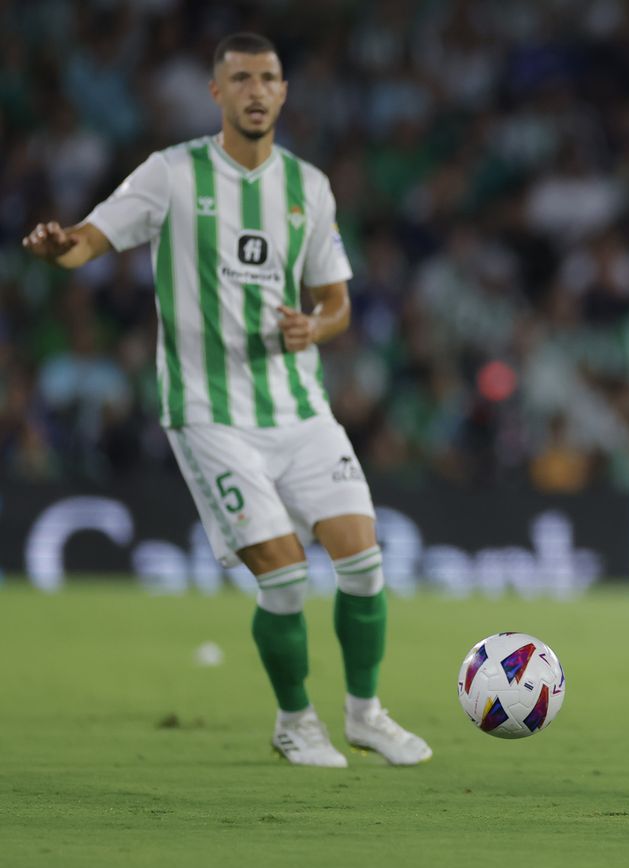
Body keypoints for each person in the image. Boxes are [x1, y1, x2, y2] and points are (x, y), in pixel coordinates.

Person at [21, 33, 429, 769]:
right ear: (216, 92)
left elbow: (336, 302)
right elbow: (90, 239)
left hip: (300, 408)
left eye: (268, 77)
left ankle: (366, 715)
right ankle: (295, 721)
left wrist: (317, 325)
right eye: (239, 77)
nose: (255, 90)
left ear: (283, 92)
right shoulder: (171, 175)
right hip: (210, 414)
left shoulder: (309, 187)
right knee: (283, 576)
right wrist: (60, 249)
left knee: (363, 561)